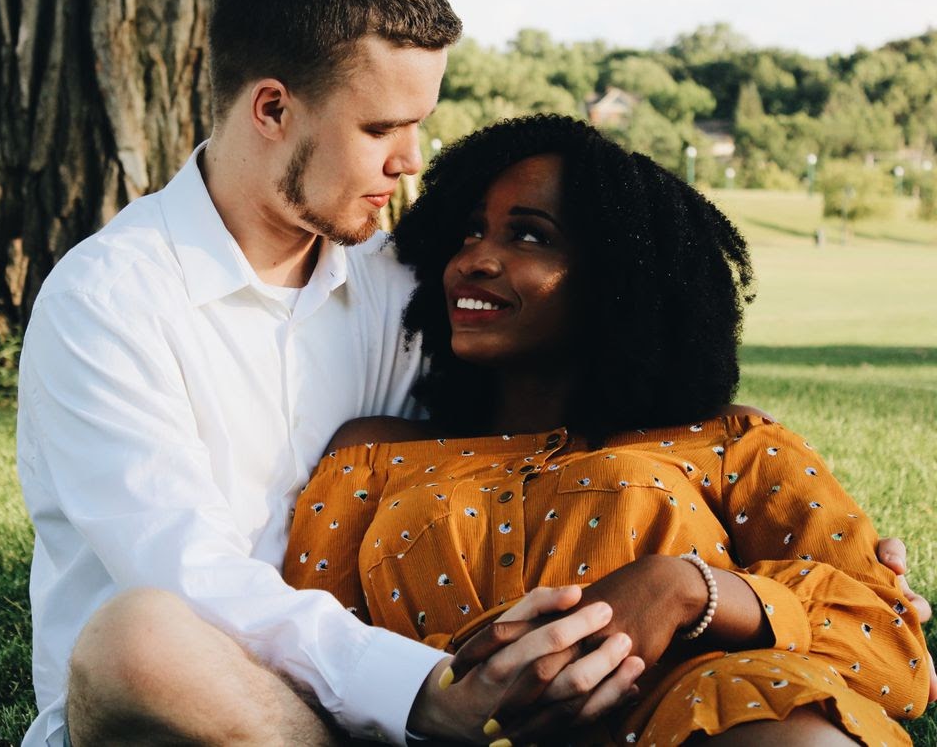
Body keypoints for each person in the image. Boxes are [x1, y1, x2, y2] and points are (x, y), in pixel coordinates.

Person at [17, 0, 931, 747]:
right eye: (384, 127)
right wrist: (426, 688)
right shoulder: (109, 301)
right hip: (224, 707)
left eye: (421, 122)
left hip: (420, 702)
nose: (413, 160)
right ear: (272, 108)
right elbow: (187, 575)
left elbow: (561, 376)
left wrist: (732, 457)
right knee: (139, 635)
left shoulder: (399, 285)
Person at [283, 114, 934, 745]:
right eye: (471, 232)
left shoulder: (731, 443)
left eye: (529, 236)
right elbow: (305, 653)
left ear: (616, 280)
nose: (474, 259)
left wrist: (683, 589)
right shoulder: (371, 454)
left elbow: (890, 646)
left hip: (694, 718)